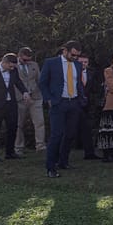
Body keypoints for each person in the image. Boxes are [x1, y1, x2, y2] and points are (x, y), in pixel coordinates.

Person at [39, 41, 86, 178]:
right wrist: (49, 99)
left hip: (74, 103)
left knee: (70, 134)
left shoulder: (77, 64)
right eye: (73, 54)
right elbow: (42, 83)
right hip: (58, 103)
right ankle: (50, 167)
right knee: (56, 135)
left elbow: (78, 83)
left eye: (77, 55)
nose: (75, 57)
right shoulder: (51, 63)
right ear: (64, 50)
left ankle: (63, 162)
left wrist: (81, 98)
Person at [14, 47, 44, 157]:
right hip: (19, 98)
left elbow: (39, 80)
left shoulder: (34, 65)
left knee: (39, 122)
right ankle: (18, 147)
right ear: (19, 56)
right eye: (25, 60)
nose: (27, 62)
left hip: (35, 97)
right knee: (18, 124)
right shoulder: (13, 65)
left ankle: (40, 146)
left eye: (29, 60)